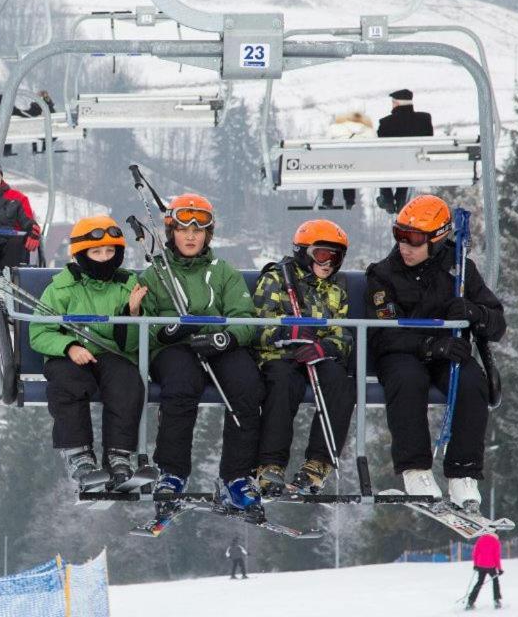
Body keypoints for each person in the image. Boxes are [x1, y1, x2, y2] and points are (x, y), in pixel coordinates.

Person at [366, 195, 505, 509]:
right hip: (402, 353)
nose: (405, 246)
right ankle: (415, 470)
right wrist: (429, 345)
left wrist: (473, 312)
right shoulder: (383, 275)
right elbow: (383, 332)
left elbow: (496, 324)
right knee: (407, 379)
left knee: (472, 382)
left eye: (414, 240)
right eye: (399, 235)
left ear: (438, 239)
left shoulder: (460, 271)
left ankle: (463, 473)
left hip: (447, 353)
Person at [140, 193, 265, 520]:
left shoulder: (223, 272)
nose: (191, 236)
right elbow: (142, 322)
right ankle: (172, 473)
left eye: (199, 230)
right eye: (183, 229)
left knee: (248, 386)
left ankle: (236, 477)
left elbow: (245, 317)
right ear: (172, 233)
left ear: (208, 234)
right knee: (181, 386)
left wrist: (225, 337)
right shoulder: (156, 274)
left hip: (217, 344)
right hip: (174, 349)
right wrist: (166, 332)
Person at [28, 216, 147, 487]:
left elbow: (133, 344)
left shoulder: (127, 285)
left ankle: (119, 454)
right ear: (82, 254)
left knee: (126, 381)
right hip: (70, 355)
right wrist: (68, 347)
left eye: (110, 252)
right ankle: (79, 455)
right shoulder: (63, 287)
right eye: (96, 252)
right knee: (67, 382)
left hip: (110, 353)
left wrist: (133, 312)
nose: (104, 258)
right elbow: (39, 331)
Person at [250, 220, 357, 495]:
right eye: (321, 254)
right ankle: (270, 464)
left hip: (315, 357)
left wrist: (326, 349)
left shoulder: (335, 291)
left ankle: (318, 462)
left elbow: (342, 336)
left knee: (340, 382)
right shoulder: (275, 280)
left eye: (336, 257)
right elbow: (256, 330)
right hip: (279, 356)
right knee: (283, 383)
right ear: (303, 252)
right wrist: (288, 331)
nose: (328, 263)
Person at [376, 89, 434, 214]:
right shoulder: (424, 119)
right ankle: (400, 196)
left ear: (396, 103)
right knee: (407, 163)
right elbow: (429, 140)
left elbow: (380, 148)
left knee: (383, 163)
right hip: (417, 163)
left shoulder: (385, 123)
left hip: (391, 166)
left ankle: (387, 197)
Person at [321, 111, 376, 209]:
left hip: (338, 163)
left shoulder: (335, 128)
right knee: (350, 166)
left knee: (335, 166)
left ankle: (327, 199)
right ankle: (350, 201)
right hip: (361, 165)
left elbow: (326, 145)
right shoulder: (368, 130)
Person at [467, 532, 503, 609]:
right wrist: (499, 569)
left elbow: (475, 553)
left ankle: (470, 601)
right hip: (491, 566)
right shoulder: (496, 541)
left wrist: (475, 564)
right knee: (495, 582)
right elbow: (497, 556)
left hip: (480, 565)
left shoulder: (480, 539)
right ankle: (497, 601)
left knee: (479, 582)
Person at [25, 90, 57, 154]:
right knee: (44, 129)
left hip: (38, 132)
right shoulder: (50, 108)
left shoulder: (35, 108)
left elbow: (28, 114)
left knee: (34, 128)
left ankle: (35, 148)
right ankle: (43, 148)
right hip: (50, 134)